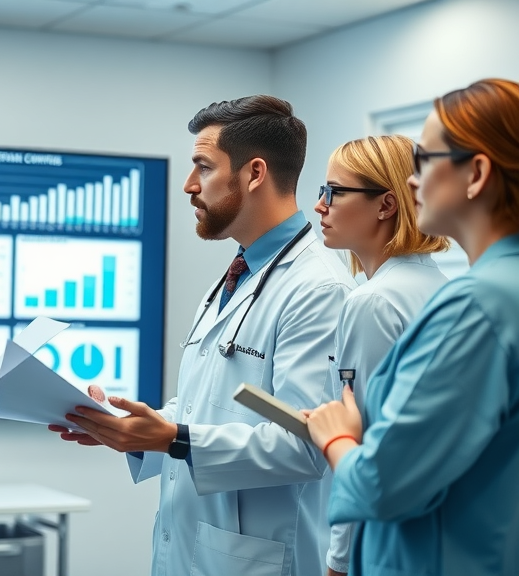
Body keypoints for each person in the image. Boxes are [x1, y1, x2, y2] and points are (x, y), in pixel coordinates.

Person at [51, 94, 354, 576]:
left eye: (203, 167)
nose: (189, 186)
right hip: (195, 548)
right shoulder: (236, 274)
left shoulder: (318, 289)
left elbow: (305, 444)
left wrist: (175, 438)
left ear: (254, 173)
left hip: (260, 559)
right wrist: (140, 429)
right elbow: (205, 407)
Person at [306, 78, 519, 576]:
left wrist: (338, 436)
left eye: (425, 160)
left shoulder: (477, 304)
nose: (411, 181)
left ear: (477, 174)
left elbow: (380, 486)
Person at [313, 135, 449, 576]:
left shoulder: (373, 302)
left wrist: (338, 561)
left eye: (334, 192)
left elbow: (363, 448)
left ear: (386, 205)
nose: (320, 206)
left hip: (377, 549)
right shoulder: (442, 287)